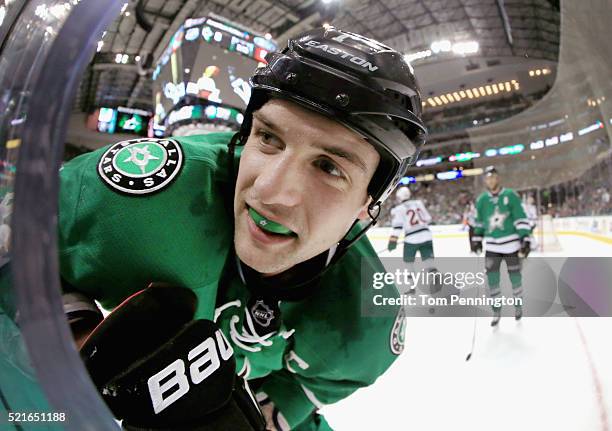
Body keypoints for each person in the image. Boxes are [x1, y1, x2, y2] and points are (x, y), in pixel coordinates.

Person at [58, 27, 427, 430]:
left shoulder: (363, 319)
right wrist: (78, 338)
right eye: (268, 137)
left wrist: (271, 411)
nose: (269, 192)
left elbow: (324, 381)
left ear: (367, 204)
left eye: (328, 167)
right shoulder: (148, 199)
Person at [471, 166, 531, 326]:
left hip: (512, 246)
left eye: (493, 177)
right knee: (492, 280)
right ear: (485, 180)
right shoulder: (482, 200)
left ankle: (518, 307)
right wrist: (476, 239)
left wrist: (525, 237)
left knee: (515, 278)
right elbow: (479, 222)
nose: (491, 180)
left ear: (498, 178)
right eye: (488, 178)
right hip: (492, 247)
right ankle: (496, 311)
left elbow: (520, 216)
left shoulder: (511, 195)